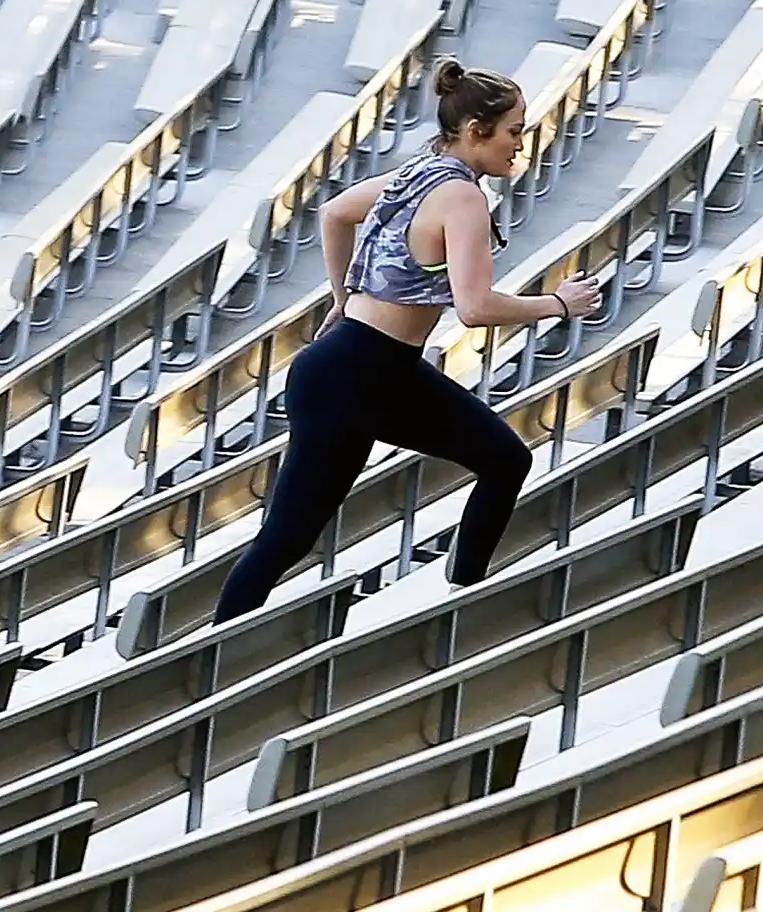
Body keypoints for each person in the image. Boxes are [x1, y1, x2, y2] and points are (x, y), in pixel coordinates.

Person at [211, 57, 602, 625]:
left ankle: (463, 601)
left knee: (504, 460)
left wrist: (343, 299)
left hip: (372, 368)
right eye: (514, 132)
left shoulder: (418, 171)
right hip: (355, 376)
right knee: (285, 540)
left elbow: (335, 213)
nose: (520, 145)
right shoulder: (464, 197)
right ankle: (202, 672)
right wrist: (558, 304)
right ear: (476, 131)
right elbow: (474, 308)